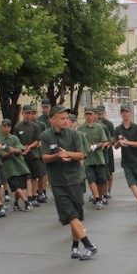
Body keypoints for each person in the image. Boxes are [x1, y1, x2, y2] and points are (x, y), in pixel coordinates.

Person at [40, 105, 98, 260]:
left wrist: (68, 154)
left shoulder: (74, 134)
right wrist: (57, 156)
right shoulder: (46, 136)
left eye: (67, 118)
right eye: (62, 118)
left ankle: (75, 245)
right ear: (53, 119)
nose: (66, 121)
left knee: (76, 215)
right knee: (70, 214)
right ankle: (89, 245)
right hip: (58, 182)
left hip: (74, 179)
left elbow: (81, 155)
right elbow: (44, 157)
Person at [113, 103, 137, 222]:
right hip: (126, 162)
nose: (125, 114)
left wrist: (128, 142)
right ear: (120, 113)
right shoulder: (118, 129)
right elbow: (115, 146)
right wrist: (119, 143)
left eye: (127, 112)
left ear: (130, 113)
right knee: (132, 184)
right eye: (123, 112)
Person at [0, 119, 34, 212]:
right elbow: (1, 154)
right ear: (1, 127)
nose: (6, 128)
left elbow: (20, 148)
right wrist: (10, 152)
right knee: (16, 187)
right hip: (8, 168)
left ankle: (15, 204)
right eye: (5, 126)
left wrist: (15, 150)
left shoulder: (14, 138)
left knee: (19, 187)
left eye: (8, 126)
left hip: (19, 166)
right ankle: (27, 203)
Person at [78, 107, 110, 208]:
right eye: (86, 114)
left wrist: (95, 146)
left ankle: (100, 196)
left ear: (93, 115)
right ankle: (97, 198)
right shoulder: (80, 128)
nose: (88, 116)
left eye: (90, 114)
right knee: (91, 179)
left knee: (101, 180)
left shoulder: (99, 127)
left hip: (98, 157)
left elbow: (104, 141)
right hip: (87, 159)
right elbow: (79, 143)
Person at [15, 105, 43, 207]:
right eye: (26, 113)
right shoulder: (18, 127)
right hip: (22, 156)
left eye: (30, 113)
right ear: (22, 114)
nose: (28, 115)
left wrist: (29, 147)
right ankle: (29, 197)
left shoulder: (35, 126)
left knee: (35, 177)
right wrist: (22, 147)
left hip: (34, 154)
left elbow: (38, 140)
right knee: (27, 177)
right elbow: (16, 141)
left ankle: (34, 196)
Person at [96, 104, 116, 198]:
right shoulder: (94, 123)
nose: (100, 113)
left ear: (104, 112)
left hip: (107, 151)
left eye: (101, 111)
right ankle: (98, 193)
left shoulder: (108, 124)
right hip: (97, 151)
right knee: (98, 173)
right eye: (98, 111)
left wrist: (107, 144)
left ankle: (108, 191)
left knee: (109, 172)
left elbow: (113, 137)